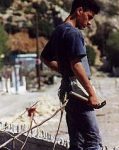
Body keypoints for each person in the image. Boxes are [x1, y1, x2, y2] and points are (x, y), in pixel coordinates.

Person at [40, 0, 103, 149]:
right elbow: (76, 65)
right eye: (89, 17)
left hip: (67, 89)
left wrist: (65, 70)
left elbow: (45, 58)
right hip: (78, 90)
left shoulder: (59, 30)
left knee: (77, 142)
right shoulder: (74, 33)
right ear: (79, 11)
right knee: (93, 141)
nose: (89, 23)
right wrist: (92, 93)